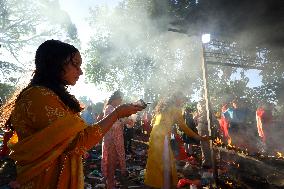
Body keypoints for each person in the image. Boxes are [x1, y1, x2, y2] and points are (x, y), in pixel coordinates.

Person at [0, 39, 144, 189]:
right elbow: (77, 142)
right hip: (44, 181)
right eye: (75, 64)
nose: (80, 71)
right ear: (55, 63)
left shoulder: (51, 96)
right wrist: (117, 114)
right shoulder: (38, 96)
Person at [144, 92, 208, 189]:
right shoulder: (176, 109)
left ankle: (157, 184)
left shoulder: (162, 108)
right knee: (164, 161)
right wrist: (199, 137)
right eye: (182, 100)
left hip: (154, 136)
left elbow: (153, 122)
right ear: (177, 99)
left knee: (156, 161)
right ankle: (164, 185)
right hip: (162, 137)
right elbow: (183, 127)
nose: (183, 102)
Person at [101, 91, 133, 189]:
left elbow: (120, 121)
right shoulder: (109, 108)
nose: (121, 101)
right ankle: (110, 183)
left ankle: (110, 181)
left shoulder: (113, 109)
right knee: (111, 162)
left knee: (113, 162)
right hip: (111, 140)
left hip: (115, 138)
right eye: (120, 99)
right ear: (116, 99)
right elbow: (113, 123)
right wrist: (124, 120)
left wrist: (127, 120)